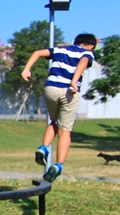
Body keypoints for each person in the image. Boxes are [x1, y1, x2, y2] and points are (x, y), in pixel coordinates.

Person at [20, 33, 98, 182]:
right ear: (92, 46)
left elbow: (37, 53)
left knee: (54, 121)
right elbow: (83, 62)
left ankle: (43, 147)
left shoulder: (61, 49)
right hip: (69, 91)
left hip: (51, 88)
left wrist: (26, 69)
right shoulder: (87, 53)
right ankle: (58, 165)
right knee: (65, 130)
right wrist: (74, 82)